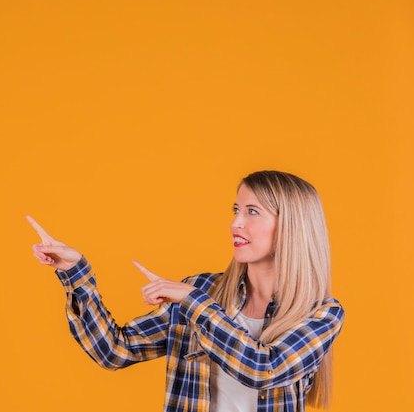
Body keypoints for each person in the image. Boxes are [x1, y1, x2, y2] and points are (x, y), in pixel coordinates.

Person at [27, 170, 345, 412]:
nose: (236, 223)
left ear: (291, 225)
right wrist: (74, 272)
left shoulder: (320, 312)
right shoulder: (202, 290)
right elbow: (115, 350)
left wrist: (193, 302)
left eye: (252, 212)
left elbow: (263, 369)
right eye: (236, 209)